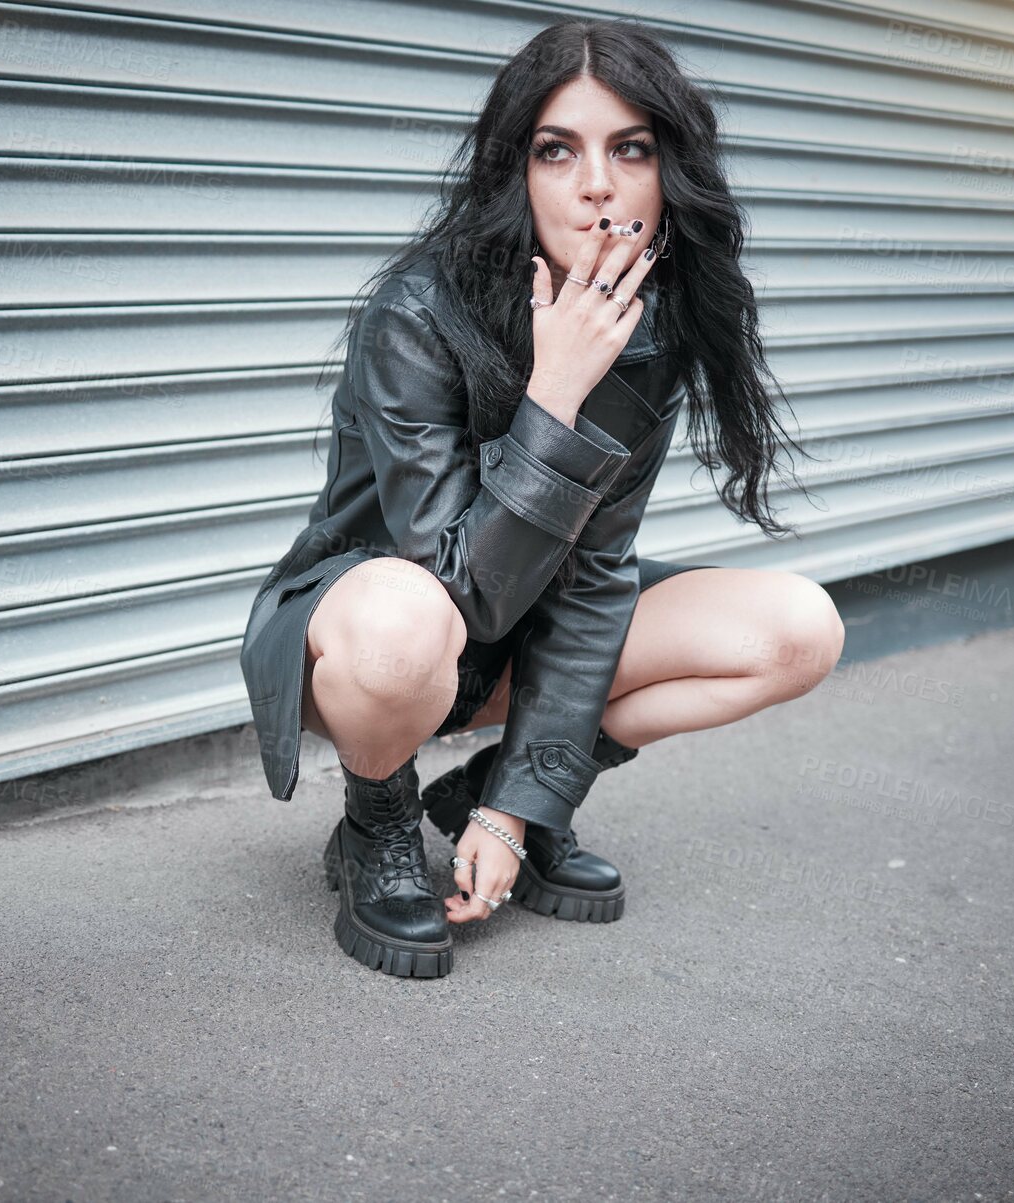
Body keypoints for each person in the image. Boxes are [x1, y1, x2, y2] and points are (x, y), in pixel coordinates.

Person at [239, 17, 845, 978]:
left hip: (515, 643)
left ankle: (497, 783)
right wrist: (554, 392)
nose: (595, 183)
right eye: (555, 150)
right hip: (370, 644)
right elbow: (456, 586)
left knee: (795, 626)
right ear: (515, 171)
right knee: (405, 621)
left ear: (666, 173)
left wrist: (518, 808)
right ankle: (377, 821)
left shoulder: (648, 329)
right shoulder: (415, 314)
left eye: (629, 149)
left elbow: (596, 574)